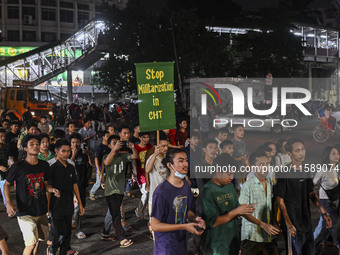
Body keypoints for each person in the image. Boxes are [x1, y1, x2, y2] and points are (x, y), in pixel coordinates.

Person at [274, 138, 332, 255]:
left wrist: (324, 212)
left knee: (309, 251)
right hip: (293, 225)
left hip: (306, 222)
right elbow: (280, 201)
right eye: (297, 150)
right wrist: (289, 224)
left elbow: (311, 193)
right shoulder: (284, 173)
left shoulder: (305, 169)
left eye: (303, 149)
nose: (302, 153)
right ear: (290, 154)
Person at [4, 134, 59, 255]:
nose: (36, 146)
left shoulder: (44, 165)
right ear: (25, 148)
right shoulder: (18, 166)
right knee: (30, 244)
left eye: (37, 144)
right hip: (24, 211)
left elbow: (45, 185)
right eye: (32, 144)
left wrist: (52, 190)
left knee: (38, 241)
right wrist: (8, 203)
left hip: (40, 210)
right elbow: (6, 184)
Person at [150, 148, 206, 254]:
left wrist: (195, 219)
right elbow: (155, 225)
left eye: (186, 160)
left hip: (181, 243)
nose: (185, 164)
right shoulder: (161, 192)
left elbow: (186, 210)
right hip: (166, 247)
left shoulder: (185, 185)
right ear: (169, 165)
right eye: (180, 161)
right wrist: (185, 226)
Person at [200, 154, 255, 255]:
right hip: (216, 246)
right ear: (218, 171)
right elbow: (213, 222)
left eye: (233, 174)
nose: (232, 177)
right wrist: (236, 211)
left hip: (231, 241)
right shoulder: (208, 191)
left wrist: (244, 210)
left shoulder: (229, 186)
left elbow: (235, 208)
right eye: (229, 174)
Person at [46, 139, 84, 255]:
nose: (66, 154)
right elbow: (48, 188)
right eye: (63, 151)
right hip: (56, 206)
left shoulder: (71, 167)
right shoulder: (52, 168)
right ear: (56, 151)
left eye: (68, 151)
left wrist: (80, 203)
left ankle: (65, 251)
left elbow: (75, 185)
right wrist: (47, 208)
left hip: (69, 203)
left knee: (68, 231)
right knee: (60, 232)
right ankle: (52, 250)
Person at [99, 134, 138, 248]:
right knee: (116, 215)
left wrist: (132, 147)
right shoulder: (107, 156)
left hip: (120, 190)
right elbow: (106, 163)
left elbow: (134, 156)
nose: (117, 145)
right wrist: (114, 150)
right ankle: (122, 238)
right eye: (114, 143)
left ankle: (105, 232)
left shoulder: (123, 156)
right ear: (110, 146)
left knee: (112, 213)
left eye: (118, 143)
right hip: (111, 191)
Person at [239, 151, 280, 255]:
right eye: (261, 165)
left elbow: (269, 206)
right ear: (253, 167)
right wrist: (263, 225)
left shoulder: (269, 182)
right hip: (251, 237)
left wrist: (274, 223)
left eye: (267, 164)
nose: (265, 167)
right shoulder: (247, 186)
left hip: (268, 236)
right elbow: (242, 212)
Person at [313, 146, 340, 254]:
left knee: (324, 227)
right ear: (327, 156)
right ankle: (338, 244)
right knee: (335, 223)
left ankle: (314, 246)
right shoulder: (323, 169)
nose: (337, 156)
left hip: (336, 201)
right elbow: (313, 185)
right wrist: (318, 201)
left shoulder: (337, 168)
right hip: (325, 202)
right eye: (333, 153)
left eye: (337, 153)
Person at [69, 133, 94, 239]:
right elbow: (67, 166)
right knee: (74, 208)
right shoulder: (67, 153)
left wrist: (89, 154)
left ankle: (77, 225)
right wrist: (73, 155)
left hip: (82, 184)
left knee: (80, 207)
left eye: (77, 142)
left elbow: (92, 164)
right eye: (73, 142)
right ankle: (77, 229)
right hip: (70, 186)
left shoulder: (84, 154)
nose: (76, 145)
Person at [145, 137, 169, 237]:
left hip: (167, 197)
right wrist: (155, 154)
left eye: (167, 145)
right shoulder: (152, 159)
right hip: (155, 198)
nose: (166, 148)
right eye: (163, 146)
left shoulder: (168, 158)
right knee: (156, 227)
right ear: (156, 147)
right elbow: (147, 169)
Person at [135, 132, 153, 219]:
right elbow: (133, 161)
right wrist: (133, 172)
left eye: (147, 137)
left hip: (149, 173)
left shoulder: (150, 147)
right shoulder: (136, 148)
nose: (146, 139)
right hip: (140, 173)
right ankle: (139, 209)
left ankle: (146, 210)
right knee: (145, 193)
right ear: (139, 138)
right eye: (143, 137)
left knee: (150, 193)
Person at [89, 130, 110, 200]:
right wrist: (98, 169)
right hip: (101, 167)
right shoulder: (100, 147)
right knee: (98, 182)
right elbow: (96, 158)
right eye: (107, 136)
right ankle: (92, 192)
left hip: (107, 167)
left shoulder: (110, 146)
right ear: (103, 137)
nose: (108, 137)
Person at [0, 129, 9, 207]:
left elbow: (7, 158)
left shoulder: (5, 146)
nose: (3, 138)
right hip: (1, 169)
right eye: (0, 136)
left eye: (4, 136)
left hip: (3, 172)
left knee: (5, 189)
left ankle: (8, 208)